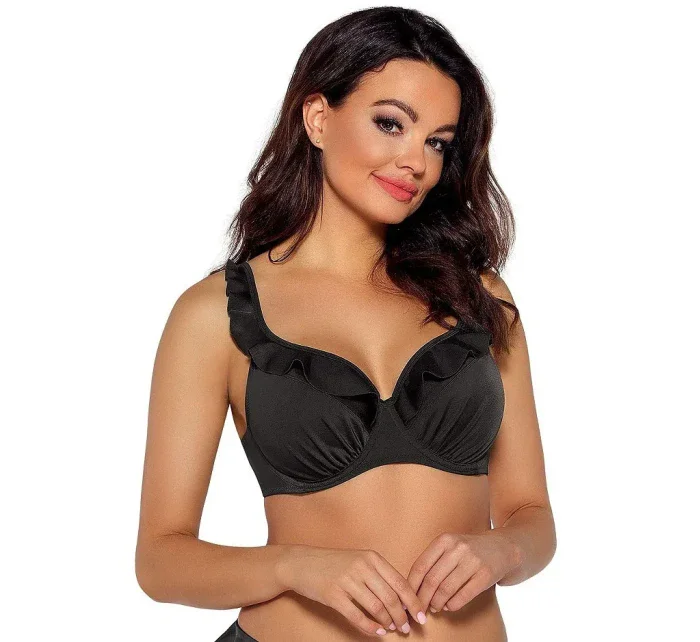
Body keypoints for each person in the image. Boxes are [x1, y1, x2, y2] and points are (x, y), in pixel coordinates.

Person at [135, 7, 556, 641]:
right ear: (318, 117)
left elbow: (533, 514)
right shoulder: (214, 315)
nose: (416, 162)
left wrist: (503, 550)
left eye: (437, 142)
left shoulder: (480, 298)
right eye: (391, 123)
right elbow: (160, 561)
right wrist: (296, 566)